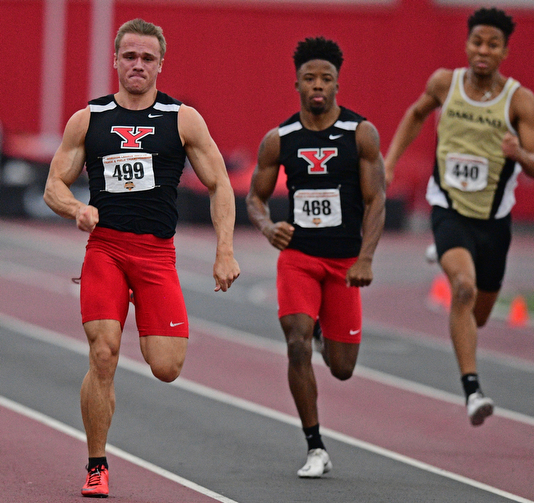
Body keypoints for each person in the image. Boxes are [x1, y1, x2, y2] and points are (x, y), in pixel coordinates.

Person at [43, 19, 240, 497]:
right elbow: (54, 185)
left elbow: (220, 184)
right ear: (115, 61)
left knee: (167, 366)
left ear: (159, 65)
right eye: (129, 56)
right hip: (106, 250)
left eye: (146, 58)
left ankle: (124, 369)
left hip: (156, 255)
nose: (137, 65)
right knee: (104, 354)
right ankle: (96, 464)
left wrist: (225, 250)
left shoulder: (183, 118)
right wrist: (77, 208)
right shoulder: (88, 119)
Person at [384, 7, 534, 426]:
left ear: (505, 51)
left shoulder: (519, 100)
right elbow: (415, 115)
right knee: (463, 289)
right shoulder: (444, 83)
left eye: (493, 44)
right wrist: (390, 162)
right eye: (477, 41)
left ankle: (445, 253)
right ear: (467, 44)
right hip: (449, 207)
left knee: (480, 315)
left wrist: (519, 153)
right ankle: (473, 390)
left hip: (494, 219)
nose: (483, 50)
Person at [246, 36, 385, 477]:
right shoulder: (280, 138)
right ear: (298, 84)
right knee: (295, 342)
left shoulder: (360, 133)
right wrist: (269, 227)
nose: (318, 85)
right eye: (310, 78)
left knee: (342, 368)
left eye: (326, 78)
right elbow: (254, 197)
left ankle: (327, 329)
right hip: (299, 257)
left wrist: (365, 258)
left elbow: (377, 199)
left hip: (344, 263)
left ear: (338, 84)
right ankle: (315, 447)